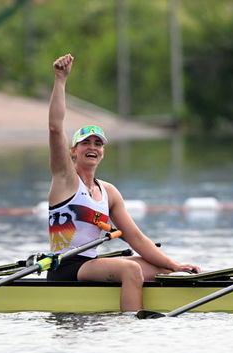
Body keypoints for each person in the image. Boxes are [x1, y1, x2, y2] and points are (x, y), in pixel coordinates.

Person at [47, 54, 200, 311]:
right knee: (130, 269)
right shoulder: (65, 179)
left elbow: (136, 238)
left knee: (161, 268)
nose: (92, 147)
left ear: (103, 152)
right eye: (86, 143)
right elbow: (54, 127)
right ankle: (131, 324)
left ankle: (139, 300)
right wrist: (61, 80)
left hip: (91, 264)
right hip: (65, 267)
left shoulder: (109, 192)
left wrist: (174, 264)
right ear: (73, 151)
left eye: (98, 144)